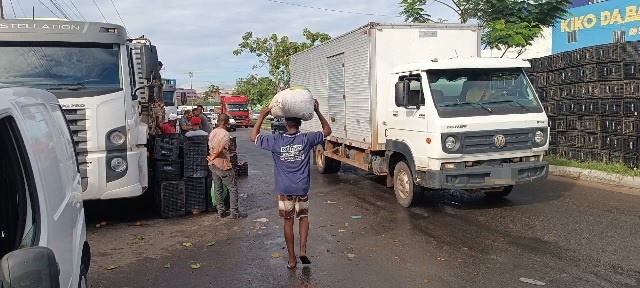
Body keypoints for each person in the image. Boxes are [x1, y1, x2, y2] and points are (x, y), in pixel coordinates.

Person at [250, 99, 332, 269]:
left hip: (284, 189)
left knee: (288, 222)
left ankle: (292, 258)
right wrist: (317, 111)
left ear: (286, 124)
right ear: (300, 124)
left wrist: (262, 116)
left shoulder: (276, 140)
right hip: (301, 187)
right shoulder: (306, 138)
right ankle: (302, 250)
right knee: (303, 217)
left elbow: (254, 137)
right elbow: (327, 130)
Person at [207, 114, 245, 219]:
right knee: (232, 187)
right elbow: (220, 149)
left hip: (212, 164)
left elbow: (214, 147)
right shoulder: (225, 134)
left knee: (217, 187)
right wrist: (214, 156)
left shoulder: (213, 132)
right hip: (221, 164)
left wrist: (212, 157)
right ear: (226, 123)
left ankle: (221, 210)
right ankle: (234, 212)